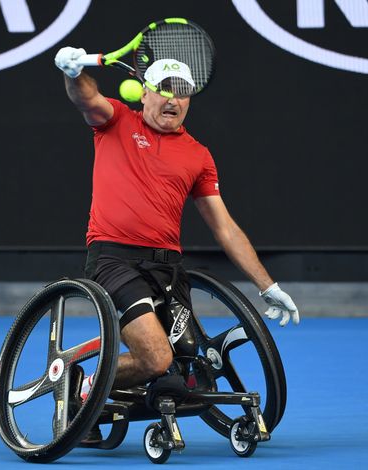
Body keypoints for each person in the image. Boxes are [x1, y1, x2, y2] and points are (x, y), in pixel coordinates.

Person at [54, 46, 300, 441]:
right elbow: (87, 98)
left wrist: (267, 285)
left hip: (167, 269)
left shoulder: (199, 155)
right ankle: (80, 386)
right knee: (156, 357)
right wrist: (72, 73)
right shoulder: (116, 121)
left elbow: (225, 228)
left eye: (181, 91)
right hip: (114, 259)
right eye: (163, 89)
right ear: (144, 93)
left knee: (185, 365)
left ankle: (108, 392)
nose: (172, 99)